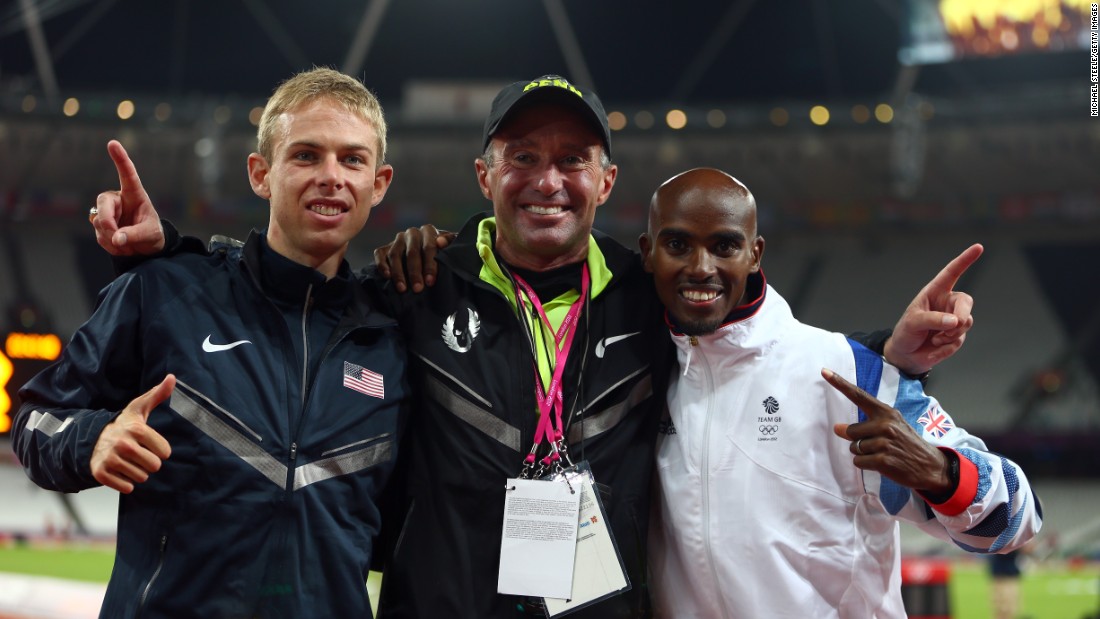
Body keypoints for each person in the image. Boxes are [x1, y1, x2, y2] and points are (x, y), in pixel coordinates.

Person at [89, 75, 977, 618]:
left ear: (606, 180)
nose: (547, 179)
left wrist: (883, 353)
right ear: (485, 175)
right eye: (522, 154)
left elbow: (750, 345)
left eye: (573, 158)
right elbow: (291, 297)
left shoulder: (651, 292)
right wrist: (175, 251)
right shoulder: (415, 284)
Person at [13, 68, 407, 619]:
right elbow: (33, 417)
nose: (331, 176)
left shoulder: (393, 342)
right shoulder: (164, 294)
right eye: (305, 155)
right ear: (260, 173)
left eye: (353, 160)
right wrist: (93, 439)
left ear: (379, 183)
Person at [640, 168, 1043, 618]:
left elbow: (1018, 518)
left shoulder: (849, 374)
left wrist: (940, 472)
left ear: (754, 255)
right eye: (677, 245)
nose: (700, 267)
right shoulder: (638, 377)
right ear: (647, 252)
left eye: (724, 246)